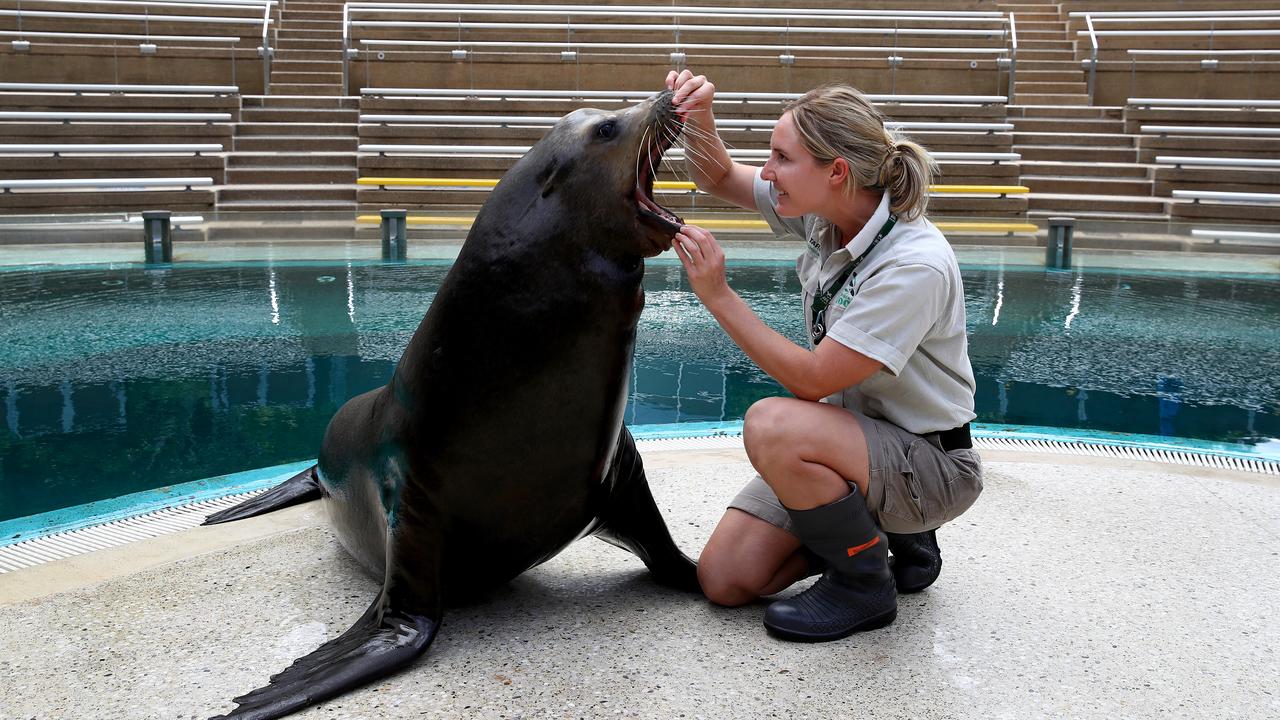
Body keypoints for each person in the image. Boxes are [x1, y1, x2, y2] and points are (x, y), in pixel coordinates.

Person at [665, 69, 984, 643]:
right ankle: (877, 538)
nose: (767, 172)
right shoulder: (828, 214)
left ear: (836, 171)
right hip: (853, 448)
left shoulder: (913, 263)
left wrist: (718, 296)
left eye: (781, 158)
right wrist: (701, 114)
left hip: (930, 466)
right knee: (726, 579)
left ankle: (864, 583)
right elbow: (717, 176)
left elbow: (812, 382)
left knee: (774, 423)